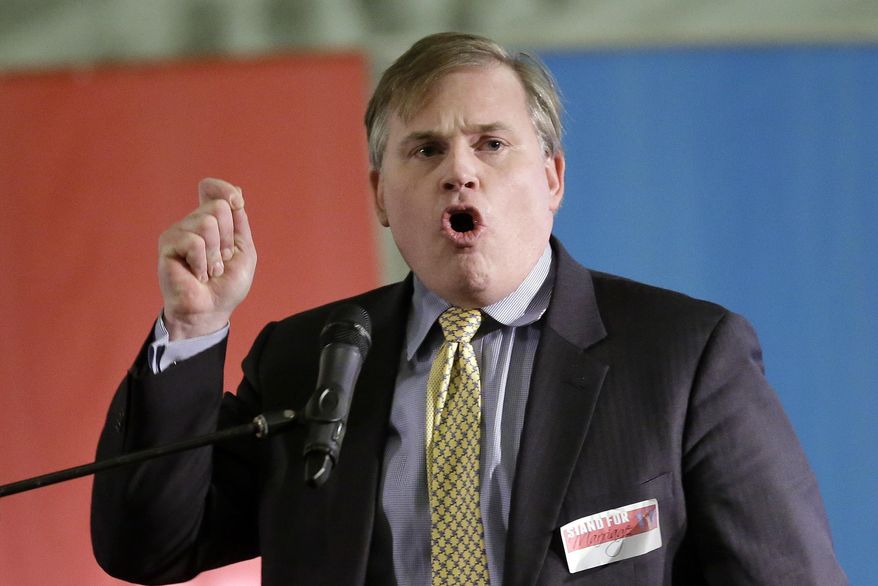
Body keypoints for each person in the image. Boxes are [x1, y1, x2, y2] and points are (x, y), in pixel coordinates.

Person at [91, 32, 846, 585]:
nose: (461, 172)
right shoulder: (306, 359)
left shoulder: (684, 357)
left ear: (551, 177)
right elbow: (150, 545)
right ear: (379, 195)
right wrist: (192, 330)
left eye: (491, 144)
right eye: (424, 151)